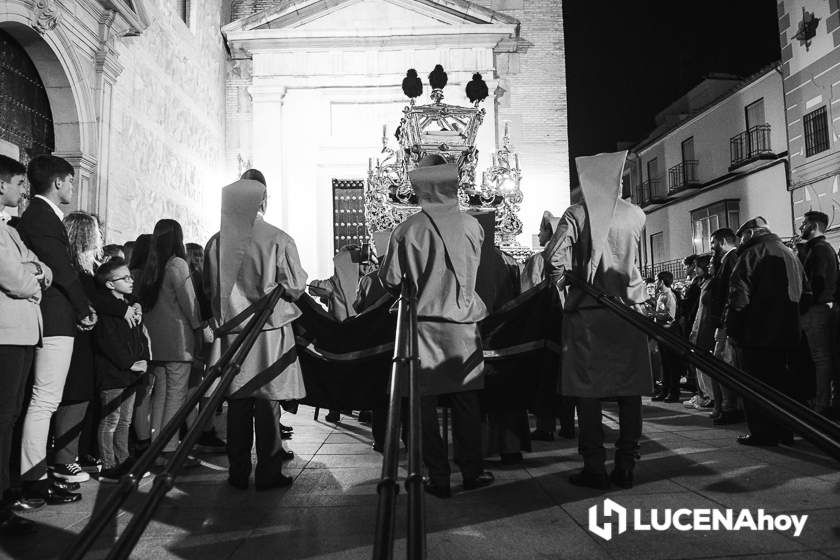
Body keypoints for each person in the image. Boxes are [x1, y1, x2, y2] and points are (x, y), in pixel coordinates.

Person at [380, 155, 493, 499]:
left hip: (424, 327)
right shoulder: (474, 226)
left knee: (423, 406)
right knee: (466, 404)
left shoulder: (407, 229)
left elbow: (390, 279)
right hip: (464, 327)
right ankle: (472, 471)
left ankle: (437, 476)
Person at [544, 150, 651, 490]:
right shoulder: (636, 214)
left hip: (589, 315)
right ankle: (626, 465)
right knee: (629, 392)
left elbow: (554, 260)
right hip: (628, 313)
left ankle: (594, 466)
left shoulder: (575, 214)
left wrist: (567, 292)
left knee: (588, 395)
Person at [205, 170, 307, 491]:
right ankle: (268, 471)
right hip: (267, 333)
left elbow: (209, 287)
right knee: (266, 401)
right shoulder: (278, 238)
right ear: (263, 199)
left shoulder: (216, 242)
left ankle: (237, 472)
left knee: (236, 402)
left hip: (233, 334)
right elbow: (294, 287)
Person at [17, 155, 96, 505]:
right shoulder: (41, 216)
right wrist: (84, 308)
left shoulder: (43, 215)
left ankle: (38, 473)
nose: (73, 186)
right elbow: (61, 269)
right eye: (71, 181)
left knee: (44, 401)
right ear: (59, 182)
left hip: (55, 316)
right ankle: (33, 480)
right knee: (44, 401)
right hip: (54, 317)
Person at [50, 212, 135, 484]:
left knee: (83, 400)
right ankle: (64, 459)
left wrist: (129, 305)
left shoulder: (83, 269)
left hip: (83, 343)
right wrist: (123, 308)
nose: (99, 239)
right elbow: (97, 297)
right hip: (74, 341)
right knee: (74, 398)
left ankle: (79, 454)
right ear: (86, 236)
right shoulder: (73, 270)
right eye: (96, 233)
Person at [0, 155, 52, 535]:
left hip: (20, 331)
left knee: (11, 415)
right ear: (2, 185)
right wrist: (34, 276)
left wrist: (33, 272)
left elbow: (40, 267)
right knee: (3, 418)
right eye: (19, 183)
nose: (24, 191)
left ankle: (7, 490)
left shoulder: (13, 231)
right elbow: (16, 281)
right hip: (5, 333)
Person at [724, 217, 808, 446]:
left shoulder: (752, 254)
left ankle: (762, 432)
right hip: (789, 332)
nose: (741, 241)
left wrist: (733, 329)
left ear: (751, 233)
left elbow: (739, 296)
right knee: (783, 384)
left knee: (756, 386)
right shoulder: (790, 254)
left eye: (742, 236)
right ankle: (785, 430)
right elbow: (806, 294)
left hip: (756, 334)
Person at [139, 219, 203, 465]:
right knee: (176, 397)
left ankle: (156, 449)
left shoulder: (152, 265)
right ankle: (169, 451)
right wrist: (198, 327)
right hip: (178, 341)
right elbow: (189, 302)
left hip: (156, 341)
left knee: (161, 396)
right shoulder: (177, 264)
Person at [91, 258, 150, 481]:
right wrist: (129, 363)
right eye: (124, 278)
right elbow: (107, 342)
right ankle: (108, 465)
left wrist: (141, 359)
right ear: (109, 284)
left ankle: (123, 459)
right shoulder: (107, 311)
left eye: (130, 276)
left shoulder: (129, 305)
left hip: (131, 373)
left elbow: (138, 337)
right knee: (110, 420)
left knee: (125, 420)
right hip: (113, 373)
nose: (131, 280)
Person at [797, 210, 839, 417]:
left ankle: (822, 402)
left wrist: (805, 303)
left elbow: (818, 282)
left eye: (804, 224)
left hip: (816, 310)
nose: (801, 227)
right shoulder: (820, 248)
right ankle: (821, 400)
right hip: (819, 308)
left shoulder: (819, 249)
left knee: (820, 357)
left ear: (813, 226)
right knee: (820, 357)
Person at [709, 228, 743, 425]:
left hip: (725, 322)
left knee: (723, 364)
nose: (712, 247)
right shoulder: (729, 260)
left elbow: (729, 292)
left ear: (722, 241)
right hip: (724, 320)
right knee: (722, 363)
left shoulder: (731, 259)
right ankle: (727, 406)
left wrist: (723, 321)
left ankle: (730, 407)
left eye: (713, 242)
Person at [652, 270, 682, 402]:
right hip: (662, 333)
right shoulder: (661, 295)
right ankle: (665, 391)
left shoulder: (669, 295)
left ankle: (673, 392)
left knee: (671, 364)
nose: (655, 283)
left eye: (656, 280)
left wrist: (655, 315)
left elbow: (671, 316)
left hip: (669, 333)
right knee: (664, 363)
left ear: (662, 281)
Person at [521, 210, 560, 292]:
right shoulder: (566, 258)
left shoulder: (538, 259)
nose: (539, 234)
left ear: (549, 231)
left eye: (541, 230)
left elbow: (527, 289)